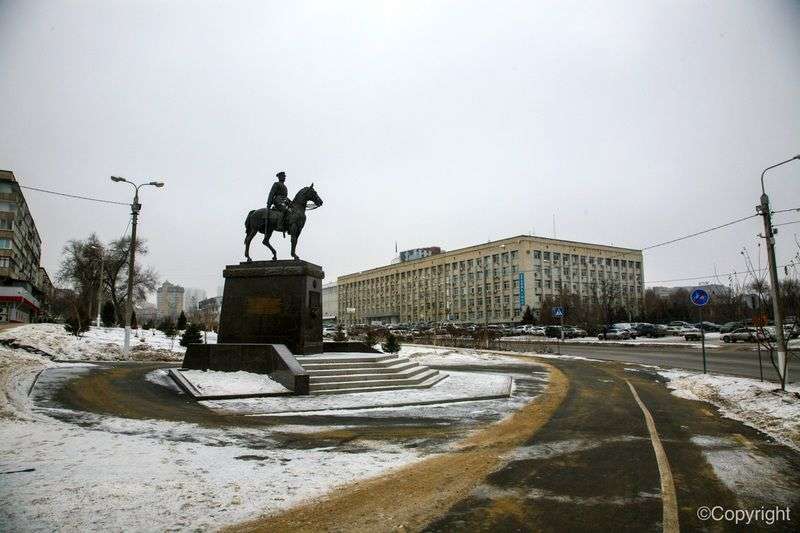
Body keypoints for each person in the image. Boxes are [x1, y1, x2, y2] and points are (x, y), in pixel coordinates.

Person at [266, 171, 290, 241]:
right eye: (283, 176)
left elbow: (285, 197)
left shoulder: (285, 187)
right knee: (284, 210)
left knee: (291, 211)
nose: (284, 177)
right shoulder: (276, 184)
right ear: (279, 177)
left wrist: (290, 202)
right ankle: (279, 225)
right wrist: (269, 203)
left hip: (284, 201)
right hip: (278, 200)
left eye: (285, 176)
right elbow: (271, 193)